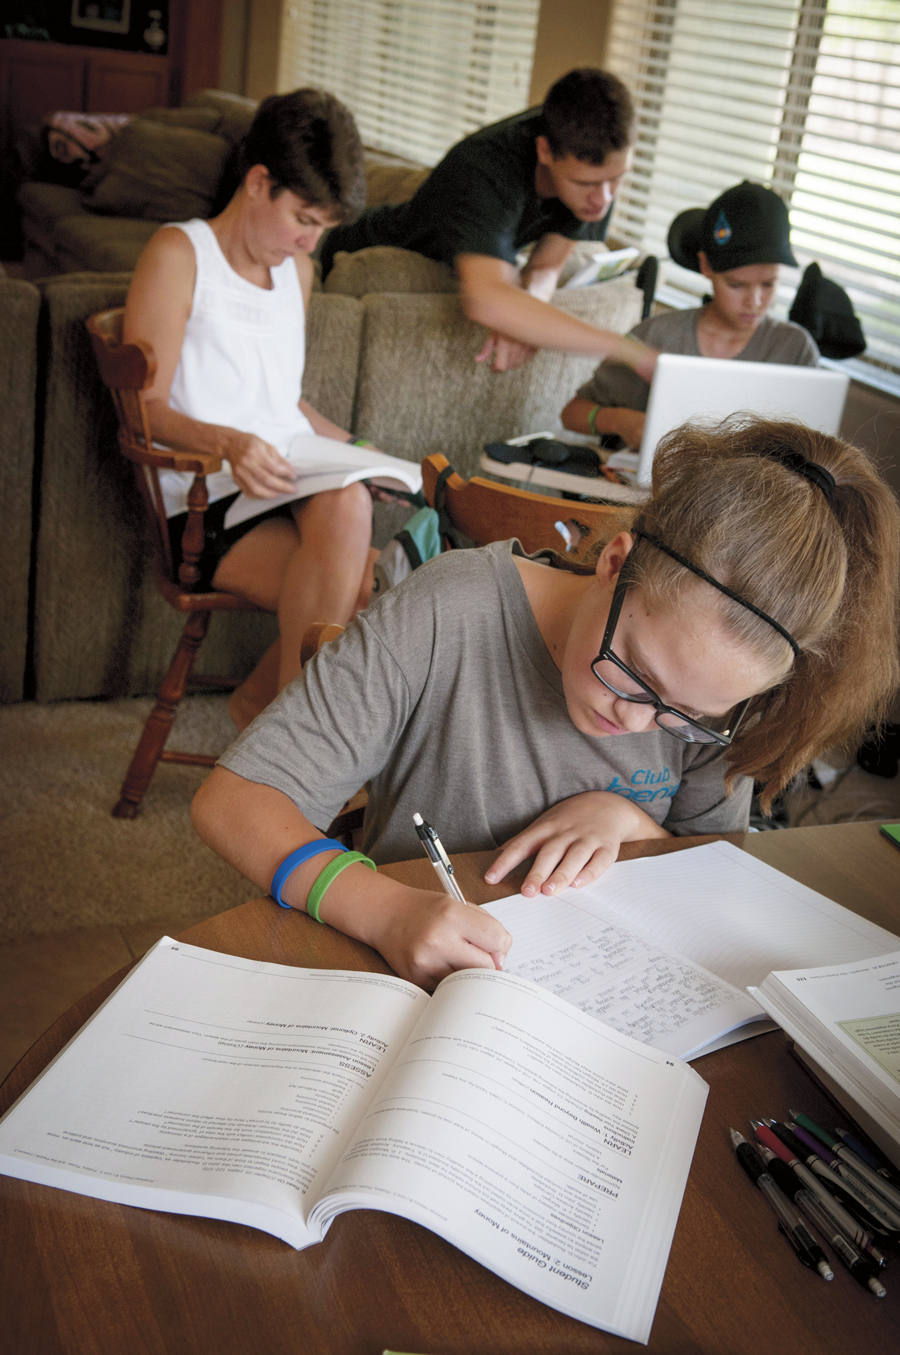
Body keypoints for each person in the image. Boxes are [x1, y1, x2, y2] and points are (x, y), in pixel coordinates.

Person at [192, 417, 900, 992]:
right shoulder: (455, 609)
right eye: (634, 672)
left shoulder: (715, 708)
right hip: (401, 971)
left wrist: (629, 822)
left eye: (686, 714)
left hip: (590, 990)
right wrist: (382, 907)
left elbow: (710, 867)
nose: (637, 721)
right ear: (615, 562)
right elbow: (233, 802)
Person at [124, 89, 386, 729]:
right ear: (259, 181)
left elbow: (282, 400)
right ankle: (298, 745)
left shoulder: (296, 272)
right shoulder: (180, 255)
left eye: (323, 227)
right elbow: (145, 410)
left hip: (286, 484)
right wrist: (232, 445)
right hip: (204, 498)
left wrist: (358, 451)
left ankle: (267, 720)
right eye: (304, 217)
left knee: (357, 516)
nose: (310, 240)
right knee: (361, 583)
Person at [319, 68, 656, 379]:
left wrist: (525, 317)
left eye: (617, 179)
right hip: (351, 247)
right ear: (544, 151)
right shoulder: (485, 169)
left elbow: (547, 266)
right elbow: (484, 299)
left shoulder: (591, 175)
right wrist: (628, 351)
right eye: (586, 184)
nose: (604, 199)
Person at [562, 181, 819, 449]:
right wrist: (619, 421)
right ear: (705, 265)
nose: (754, 302)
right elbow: (572, 414)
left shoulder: (795, 350)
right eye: (736, 285)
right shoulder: (658, 336)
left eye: (768, 285)